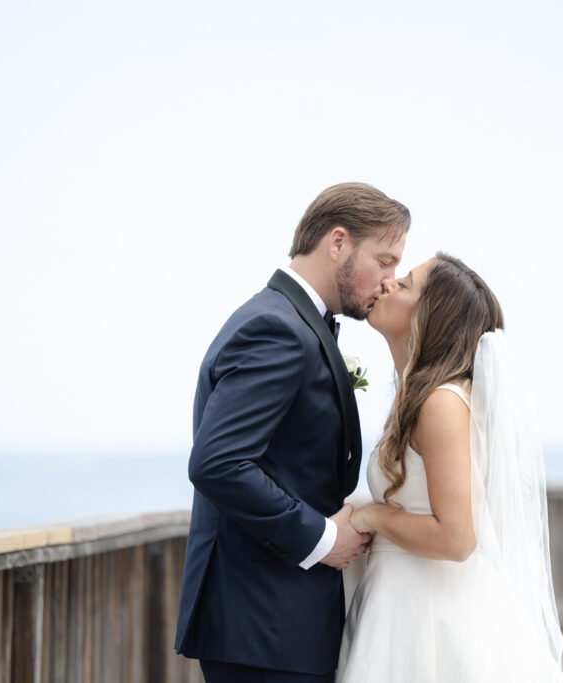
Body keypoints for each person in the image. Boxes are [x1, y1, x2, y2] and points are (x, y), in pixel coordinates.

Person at [175, 183, 410, 682]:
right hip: (262, 623)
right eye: (385, 260)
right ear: (339, 242)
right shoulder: (276, 328)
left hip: (275, 621)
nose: (390, 281)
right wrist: (324, 538)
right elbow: (218, 462)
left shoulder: (291, 321)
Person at [337, 253, 563, 682]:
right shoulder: (421, 398)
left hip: (428, 618)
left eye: (404, 284)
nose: (387, 284)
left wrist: (370, 516)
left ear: (432, 317)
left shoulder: (440, 403)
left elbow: (457, 537)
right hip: (400, 604)